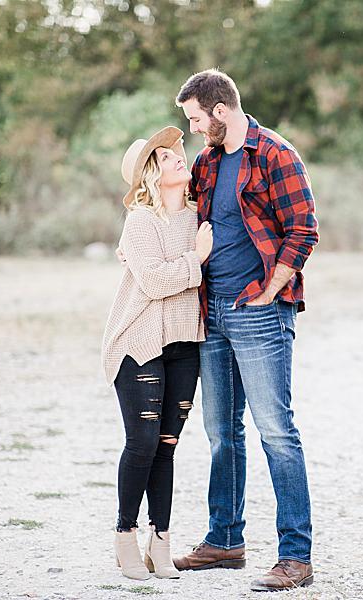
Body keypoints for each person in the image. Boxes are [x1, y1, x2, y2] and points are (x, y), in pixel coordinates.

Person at [171, 69, 319, 592]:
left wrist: (271, 289)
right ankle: (224, 540)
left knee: (276, 432)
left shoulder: (276, 154)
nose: (190, 128)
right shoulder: (207, 162)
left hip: (259, 311)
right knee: (221, 434)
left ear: (219, 110)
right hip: (212, 313)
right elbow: (181, 212)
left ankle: (295, 556)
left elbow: (304, 228)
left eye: (193, 118)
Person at [102, 126, 213, 581]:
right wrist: (197, 261)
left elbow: (178, 281)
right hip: (138, 344)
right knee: (143, 443)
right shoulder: (140, 222)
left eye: (176, 153)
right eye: (166, 157)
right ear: (151, 174)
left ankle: (160, 541)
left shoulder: (197, 219)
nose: (178, 159)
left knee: (167, 446)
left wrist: (195, 258)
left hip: (185, 344)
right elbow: (154, 283)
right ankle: (125, 536)